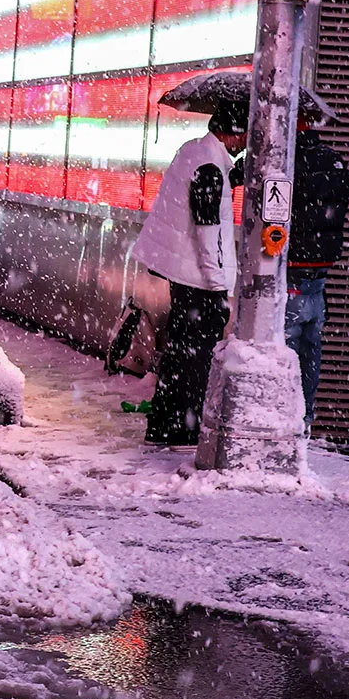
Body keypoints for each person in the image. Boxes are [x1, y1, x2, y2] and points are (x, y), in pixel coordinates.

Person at [132, 103, 247, 446]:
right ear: (230, 133)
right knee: (195, 360)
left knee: (179, 353)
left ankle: (165, 423)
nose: (243, 142)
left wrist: (233, 176)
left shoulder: (194, 152)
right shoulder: (210, 169)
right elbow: (207, 230)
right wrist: (217, 285)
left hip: (183, 276)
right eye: (242, 135)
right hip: (199, 279)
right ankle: (184, 426)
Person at [285, 97, 349, 429]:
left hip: (290, 268)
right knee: (311, 347)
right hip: (321, 270)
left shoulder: (285, 162)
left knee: (286, 347)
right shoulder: (334, 161)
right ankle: (305, 415)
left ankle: (285, 416)